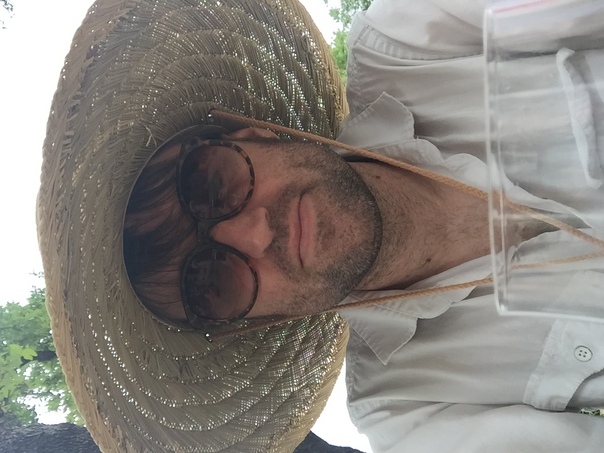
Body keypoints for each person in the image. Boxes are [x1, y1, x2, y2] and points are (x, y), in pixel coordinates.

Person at [38, 0, 604, 452]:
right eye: (213, 281)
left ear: (251, 132)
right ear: (254, 323)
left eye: (211, 184)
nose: (254, 234)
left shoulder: (415, 38)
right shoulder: (413, 414)